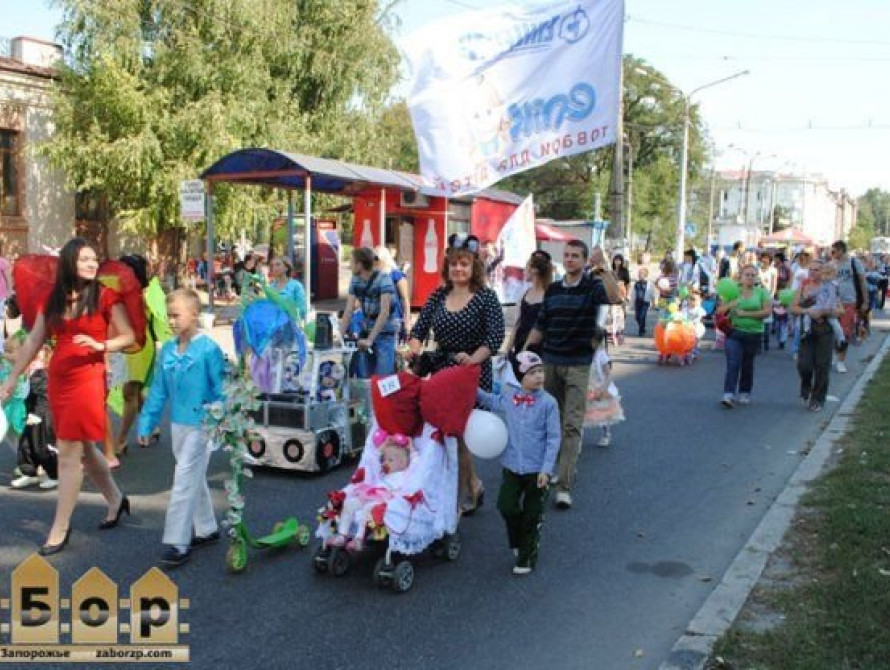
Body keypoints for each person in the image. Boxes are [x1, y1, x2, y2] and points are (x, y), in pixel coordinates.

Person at [0, 238, 136, 555]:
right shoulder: (55, 297)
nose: (92, 264)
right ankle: (116, 499)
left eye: (94, 259)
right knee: (84, 449)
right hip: (59, 379)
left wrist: (102, 345)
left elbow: (128, 336)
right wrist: (14, 376)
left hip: (88, 379)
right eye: (85, 259)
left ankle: (60, 526)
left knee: (68, 452)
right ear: (69, 263)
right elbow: (35, 340)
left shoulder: (105, 295)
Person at [408, 233, 505, 513]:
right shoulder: (439, 295)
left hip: (472, 373)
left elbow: (494, 337)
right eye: (453, 264)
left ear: (474, 265)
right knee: (447, 433)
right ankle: (473, 485)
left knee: (459, 434)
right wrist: (412, 348)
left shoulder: (486, 297)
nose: (458, 269)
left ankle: (459, 497)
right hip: (441, 371)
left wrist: (472, 360)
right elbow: (419, 329)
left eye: (464, 264)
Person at [523, 239, 619, 510]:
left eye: (576, 255)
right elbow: (541, 324)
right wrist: (525, 350)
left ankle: (564, 485)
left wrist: (605, 268)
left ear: (585, 260)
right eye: (566, 255)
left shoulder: (593, 286)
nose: (570, 259)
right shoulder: (553, 290)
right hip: (551, 361)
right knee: (551, 421)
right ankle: (550, 471)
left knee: (571, 424)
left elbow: (615, 298)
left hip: (578, 363)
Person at [137, 289, 225, 567]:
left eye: (176, 315)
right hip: (178, 424)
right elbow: (158, 391)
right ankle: (207, 527)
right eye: (168, 316)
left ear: (194, 314)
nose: (171, 321)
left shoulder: (209, 349)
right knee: (192, 476)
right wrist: (147, 423)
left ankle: (177, 541)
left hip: (202, 424)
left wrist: (221, 416)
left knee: (184, 478)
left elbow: (223, 388)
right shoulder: (169, 351)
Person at [476, 351, 560, 575]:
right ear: (519, 376)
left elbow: (553, 438)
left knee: (533, 515)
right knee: (506, 506)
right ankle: (518, 540)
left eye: (541, 371)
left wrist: (546, 469)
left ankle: (526, 558)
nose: (539, 376)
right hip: (512, 466)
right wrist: (467, 384)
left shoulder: (549, 404)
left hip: (537, 470)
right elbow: (490, 400)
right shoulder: (511, 398)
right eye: (532, 373)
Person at [327, 434, 413, 552]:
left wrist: (411, 448)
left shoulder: (405, 475)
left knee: (368, 509)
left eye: (390, 460)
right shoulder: (382, 474)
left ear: (403, 463)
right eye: (384, 459)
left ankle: (359, 539)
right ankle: (342, 534)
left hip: (385, 500)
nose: (385, 463)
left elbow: (416, 465)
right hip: (370, 495)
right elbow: (372, 461)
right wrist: (382, 448)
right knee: (349, 503)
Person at [791, 260, 844, 412]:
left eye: (817, 270)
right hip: (806, 332)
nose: (813, 273)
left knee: (822, 366)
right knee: (804, 365)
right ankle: (805, 388)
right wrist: (807, 311)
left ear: (823, 272)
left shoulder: (829, 288)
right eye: (811, 269)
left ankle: (818, 399)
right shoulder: (803, 288)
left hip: (825, 331)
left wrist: (825, 312)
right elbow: (793, 308)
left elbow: (840, 310)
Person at [716, 263, 771, 408]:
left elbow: (767, 312)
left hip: (754, 333)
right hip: (735, 332)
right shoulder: (734, 291)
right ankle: (728, 394)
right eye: (747, 275)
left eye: (753, 275)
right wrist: (732, 304)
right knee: (733, 363)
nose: (750, 278)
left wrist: (746, 314)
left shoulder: (761, 292)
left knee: (747, 364)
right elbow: (719, 310)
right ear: (741, 276)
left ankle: (744, 392)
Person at [340, 247, 398, 377]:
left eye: (351, 262)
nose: (349, 265)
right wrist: (339, 336)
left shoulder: (384, 279)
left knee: (383, 379)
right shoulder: (355, 280)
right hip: (366, 330)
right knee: (364, 377)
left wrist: (370, 340)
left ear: (359, 264)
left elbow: (385, 311)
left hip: (385, 331)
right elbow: (349, 310)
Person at [11, 345, 58, 490]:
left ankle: (54, 475)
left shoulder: (42, 374)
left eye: (36, 357)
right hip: (32, 414)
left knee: (41, 446)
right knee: (26, 444)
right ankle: (29, 473)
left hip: (41, 415)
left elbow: (44, 397)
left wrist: (38, 415)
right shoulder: (30, 373)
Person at [504, 250, 553, 359]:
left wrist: (525, 350)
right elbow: (517, 323)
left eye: (526, 267)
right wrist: (508, 348)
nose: (524, 271)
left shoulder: (548, 296)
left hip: (539, 350)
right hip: (520, 345)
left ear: (534, 270)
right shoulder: (525, 293)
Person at [829, 240, 867, 373]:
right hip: (833, 302)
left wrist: (865, 301)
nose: (832, 253)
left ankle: (841, 360)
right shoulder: (831, 264)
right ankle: (835, 354)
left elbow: (862, 282)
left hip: (850, 302)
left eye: (834, 251)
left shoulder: (854, 263)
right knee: (834, 331)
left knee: (845, 332)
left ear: (840, 250)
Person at [583, 329, 624, 447]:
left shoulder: (601, 354)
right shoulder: (584, 353)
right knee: (582, 412)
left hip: (600, 386)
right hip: (586, 385)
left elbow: (608, 374)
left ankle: (606, 434)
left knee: (604, 413)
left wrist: (603, 388)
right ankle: (578, 437)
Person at [374, 246, 412, 342]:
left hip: (394, 319)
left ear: (384, 259)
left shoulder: (396, 275)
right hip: (376, 320)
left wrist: (407, 320)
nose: (374, 261)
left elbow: (405, 299)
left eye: (376, 258)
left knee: (392, 351)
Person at [268, 256, 307, 323]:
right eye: (272, 266)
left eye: (278, 264)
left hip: (291, 327)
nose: (274, 268)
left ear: (286, 268)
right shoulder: (270, 287)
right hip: (273, 328)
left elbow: (302, 311)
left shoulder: (296, 286)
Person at [758, 252, 778, 352]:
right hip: (758, 297)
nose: (764, 260)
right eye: (763, 258)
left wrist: (771, 296)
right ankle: (759, 343)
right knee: (758, 319)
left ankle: (766, 340)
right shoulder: (757, 270)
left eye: (766, 258)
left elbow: (774, 285)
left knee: (767, 320)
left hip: (768, 297)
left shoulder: (773, 270)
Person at [632, 267, 654, 336]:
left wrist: (653, 303)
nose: (639, 275)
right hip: (637, 302)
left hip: (645, 302)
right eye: (639, 274)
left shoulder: (649, 284)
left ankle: (641, 331)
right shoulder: (637, 283)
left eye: (641, 274)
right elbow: (634, 293)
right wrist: (632, 302)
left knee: (642, 316)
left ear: (645, 275)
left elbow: (652, 293)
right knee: (637, 317)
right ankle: (642, 327)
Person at [0, 243, 12, 325]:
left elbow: (9, 278)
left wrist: (10, 291)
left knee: (1, 318)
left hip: (1, 296)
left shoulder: (2, 261)